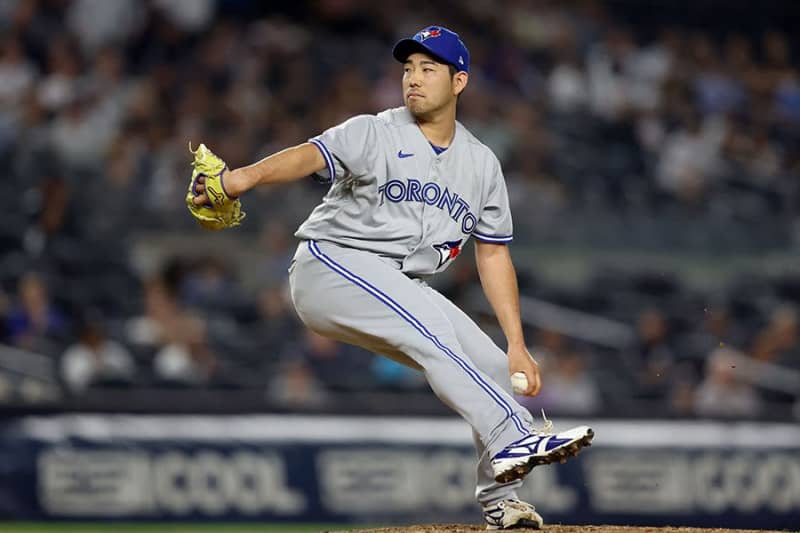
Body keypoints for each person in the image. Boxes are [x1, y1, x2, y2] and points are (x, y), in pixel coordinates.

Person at [190, 26, 593, 530]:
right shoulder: (375, 131)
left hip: (399, 285)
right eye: (408, 69)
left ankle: (501, 501)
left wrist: (515, 343)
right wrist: (240, 178)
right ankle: (513, 434)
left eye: (428, 69)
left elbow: (492, 255)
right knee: (433, 331)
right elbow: (310, 155)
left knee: (490, 366)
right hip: (332, 264)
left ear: (459, 81)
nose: (413, 79)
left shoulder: (482, 165)